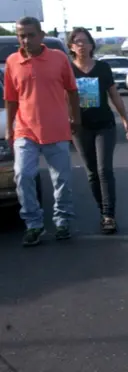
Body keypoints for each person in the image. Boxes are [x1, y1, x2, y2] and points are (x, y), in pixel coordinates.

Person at [3, 16, 81, 247]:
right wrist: (9, 128)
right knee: (23, 175)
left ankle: (62, 221)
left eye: (30, 35)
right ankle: (33, 223)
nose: (26, 40)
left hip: (56, 128)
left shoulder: (58, 58)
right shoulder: (13, 62)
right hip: (25, 129)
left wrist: (75, 119)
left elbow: (72, 90)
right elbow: (10, 99)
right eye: (21, 36)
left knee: (62, 179)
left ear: (41, 35)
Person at [67, 27, 128, 234]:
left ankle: (108, 215)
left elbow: (114, 95)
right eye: (77, 42)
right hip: (80, 128)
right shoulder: (68, 70)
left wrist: (125, 119)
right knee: (92, 173)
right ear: (71, 46)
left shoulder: (103, 68)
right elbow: (61, 99)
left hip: (104, 125)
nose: (81, 45)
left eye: (85, 41)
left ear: (91, 45)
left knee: (104, 170)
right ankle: (102, 210)